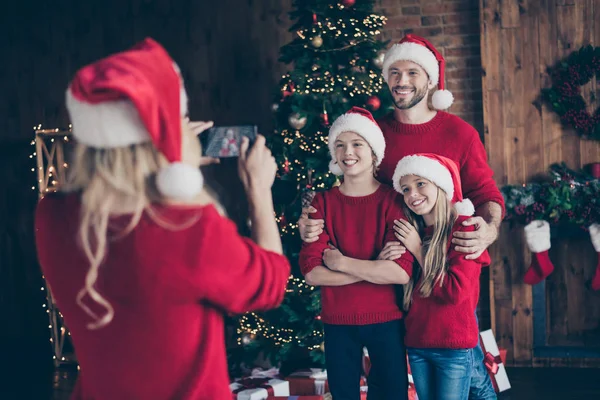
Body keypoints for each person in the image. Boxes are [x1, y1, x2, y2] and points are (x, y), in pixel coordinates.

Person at [34, 38, 290, 400]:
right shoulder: (187, 228)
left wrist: (166, 171)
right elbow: (270, 284)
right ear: (163, 137)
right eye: (178, 119)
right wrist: (259, 190)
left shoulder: (52, 215)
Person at [298, 34, 503, 399]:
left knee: (461, 362)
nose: (402, 81)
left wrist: (488, 229)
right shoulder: (375, 134)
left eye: (412, 71)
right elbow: (350, 189)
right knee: (414, 372)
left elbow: (487, 195)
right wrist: (310, 220)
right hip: (395, 280)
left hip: (446, 263)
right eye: (394, 71)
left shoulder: (460, 133)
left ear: (431, 80)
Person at [299, 107, 415, 400]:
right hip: (338, 321)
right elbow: (312, 272)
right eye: (339, 145)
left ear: (374, 151)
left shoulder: (393, 201)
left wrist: (342, 263)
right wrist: (374, 267)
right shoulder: (322, 203)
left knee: (391, 394)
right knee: (343, 395)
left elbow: (399, 272)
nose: (347, 152)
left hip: (386, 319)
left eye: (356, 144)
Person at [392, 153, 490, 400]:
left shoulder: (464, 229)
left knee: (481, 393)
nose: (412, 194)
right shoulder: (413, 232)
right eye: (406, 188)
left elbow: (455, 292)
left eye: (420, 183)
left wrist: (417, 250)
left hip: (453, 347)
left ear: (440, 185)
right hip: (417, 344)